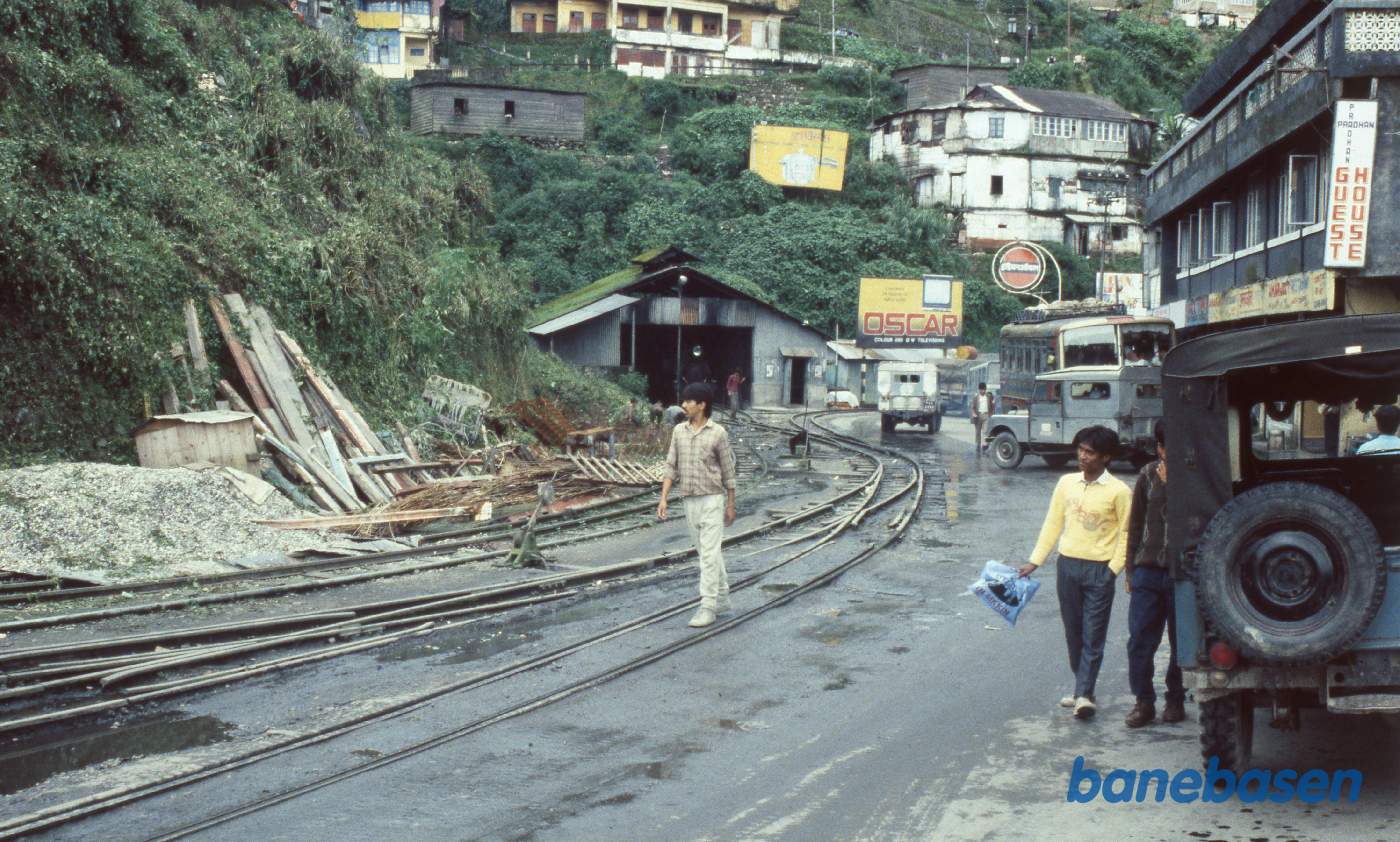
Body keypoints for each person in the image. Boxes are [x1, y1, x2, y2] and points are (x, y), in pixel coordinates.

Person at [1018, 425, 1132, 720]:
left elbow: (1128, 534)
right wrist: (1035, 561)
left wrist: (1113, 570)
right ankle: (1082, 687)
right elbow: (1052, 524)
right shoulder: (1066, 484)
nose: (1082, 456)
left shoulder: (1119, 491)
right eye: (1080, 449)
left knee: (1093, 633)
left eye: (1090, 452)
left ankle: (1084, 694)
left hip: (1100, 571)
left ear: (1105, 457)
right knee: (1073, 633)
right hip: (1067, 566)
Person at [657, 383, 738, 628]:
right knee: (707, 553)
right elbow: (671, 465)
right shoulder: (679, 432)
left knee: (710, 554)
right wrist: (663, 498)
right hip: (689, 500)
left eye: (688, 401)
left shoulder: (718, 433)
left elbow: (728, 471)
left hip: (712, 499)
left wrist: (731, 504)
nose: (683, 405)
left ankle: (708, 606)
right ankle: (723, 598)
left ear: (701, 405)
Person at [1123, 421, 1186, 728]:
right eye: (1166, 447)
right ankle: (1144, 701)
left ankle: (1176, 697)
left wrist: (1175, 486)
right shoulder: (1147, 475)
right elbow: (1135, 524)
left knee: (1181, 641)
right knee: (1139, 641)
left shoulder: (1195, 477)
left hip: (1182, 574)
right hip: (1147, 571)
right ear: (1159, 448)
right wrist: (1130, 569)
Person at [970, 382, 994, 456]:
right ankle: (978, 445)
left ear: (985, 389)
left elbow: (993, 406)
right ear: (979, 390)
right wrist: (973, 413)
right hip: (978, 415)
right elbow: (973, 407)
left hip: (986, 415)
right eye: (981, 390)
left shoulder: (989, 397)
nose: (983, 391)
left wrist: (992, 414)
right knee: (978, 432)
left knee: (986, 431)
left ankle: (985, 445)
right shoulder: (976, 397)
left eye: (984, 389)